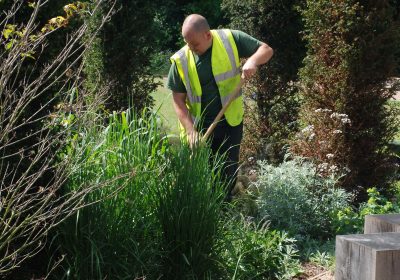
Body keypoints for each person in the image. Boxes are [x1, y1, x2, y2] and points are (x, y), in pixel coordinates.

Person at [167, 14, 273, 201]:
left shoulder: (231, 39)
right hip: (199, 128)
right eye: (188, 43)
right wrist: (191, 132)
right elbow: (178, 101)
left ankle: (222, 214)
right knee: (199, 177)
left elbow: (266, 50)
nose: (191, 49)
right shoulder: (181, 60)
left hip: (230, 123)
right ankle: (198, 217)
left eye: (195, 45)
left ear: (208, 35)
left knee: (226, 174)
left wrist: (252, 61)